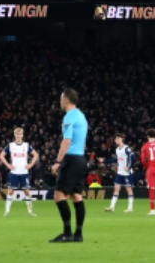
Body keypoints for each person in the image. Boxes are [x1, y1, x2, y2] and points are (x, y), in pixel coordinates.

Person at [49, 88, 88, 243]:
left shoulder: (69, 117)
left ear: (66, 100)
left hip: (71, 159)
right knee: (76, 196)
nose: (60, 102)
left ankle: (67, 233)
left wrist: (58, 162)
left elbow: (67, 141)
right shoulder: (82, 116)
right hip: (81, 159)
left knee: (59, 196)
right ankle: (78, 234)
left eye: (61, 98)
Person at [0, 126, 38, 217]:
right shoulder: (10, 145)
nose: (18, 135)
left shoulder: (26, 145)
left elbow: (35, 155)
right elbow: (1, 155)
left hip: (24, 172)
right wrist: (8, 165)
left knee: (27, 191)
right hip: (14, 172)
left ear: (22, 135)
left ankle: (30, 211)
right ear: (14, 135)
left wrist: (31, 164)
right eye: (17, 134)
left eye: (20, 134)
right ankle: (7, 211)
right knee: (10, 191)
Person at [105, 134, 136, 214]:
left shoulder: (126, 148)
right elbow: (117, 160)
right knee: (116, 188)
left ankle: (130, 208)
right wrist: (105, 161)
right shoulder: (117, 149)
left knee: (128, 189)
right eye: (115, 139)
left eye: (118, 138)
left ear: (122, 139)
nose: (116, 140)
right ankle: (112, 207)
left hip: (127, 173)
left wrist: (129, 167)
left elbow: (133, 157)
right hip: (120, 172)